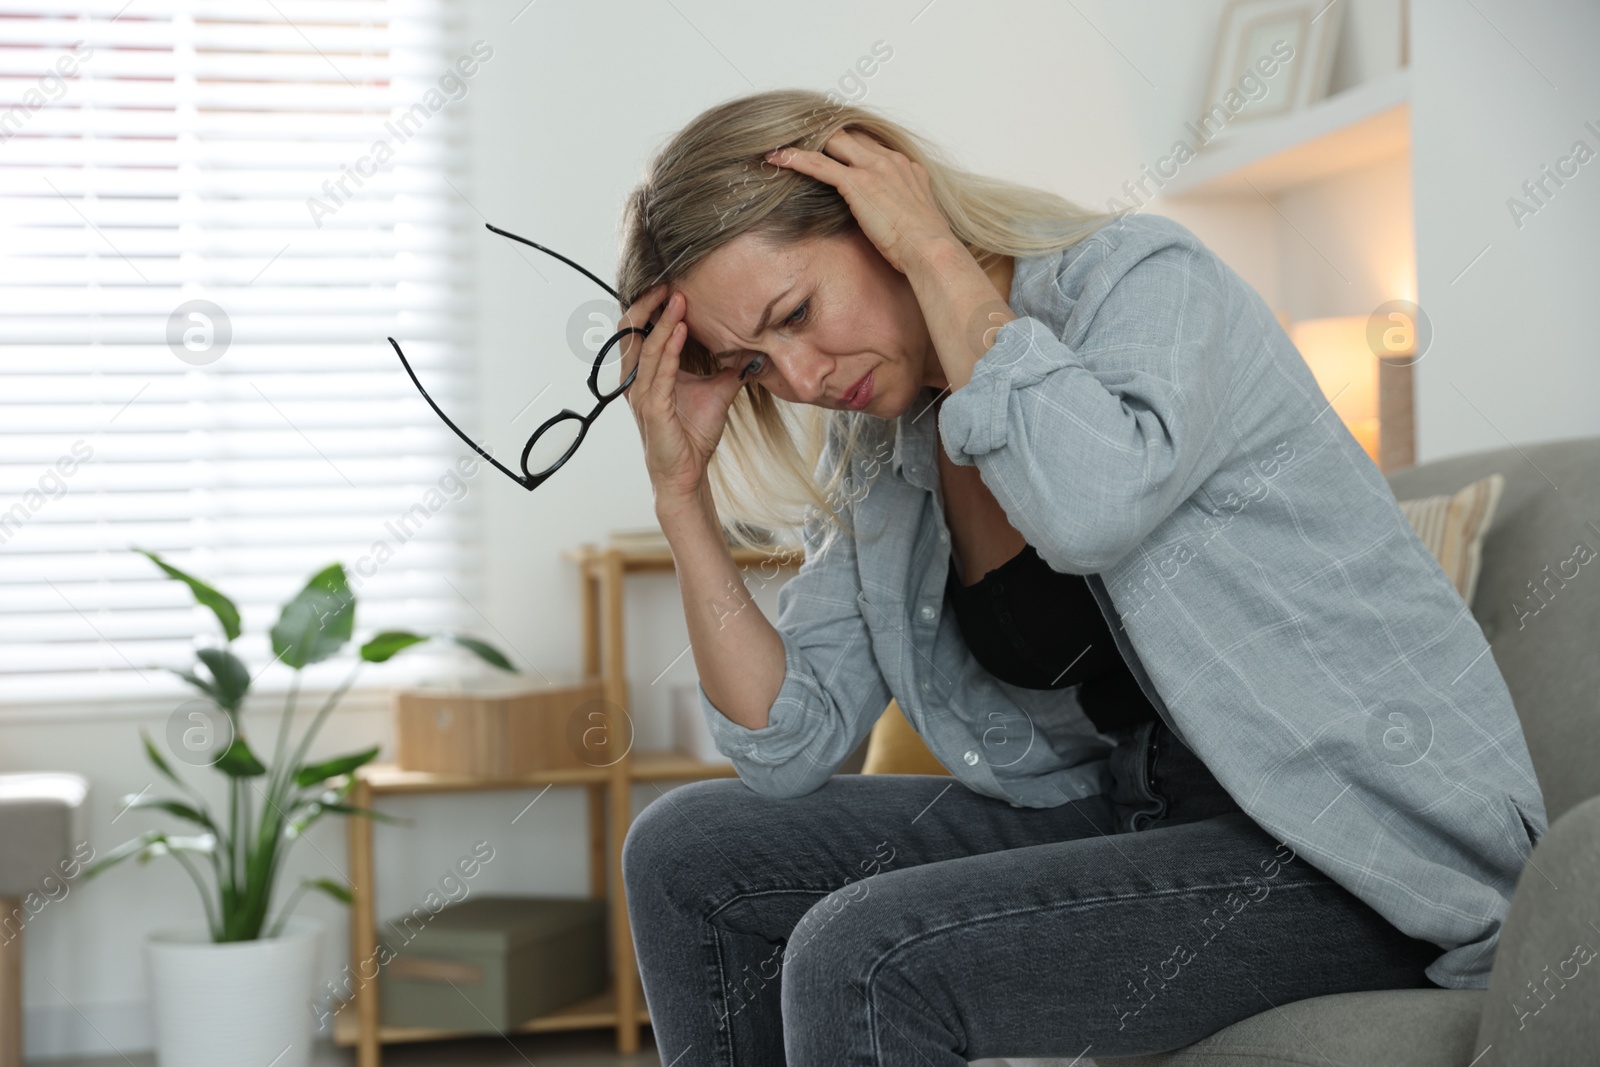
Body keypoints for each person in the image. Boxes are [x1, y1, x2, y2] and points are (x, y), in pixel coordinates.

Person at [612, 88, 1546, 1065]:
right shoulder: (886, 445)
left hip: (1340, 842)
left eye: (795, 313)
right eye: (754, 364)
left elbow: (1088, 506)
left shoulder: (1142, 284)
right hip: (1133, 813)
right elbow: (788, 744)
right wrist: (680, 492)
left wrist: (937, 252)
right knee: (687, 851)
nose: (800, 377)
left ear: (877, 210)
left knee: (868, 955)